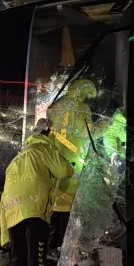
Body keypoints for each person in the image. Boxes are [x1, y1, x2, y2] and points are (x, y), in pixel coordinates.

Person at [0, 118, 74, 266]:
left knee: (18, 258)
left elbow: (4, 198)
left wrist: (4, 232)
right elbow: (65, 171)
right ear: (48, 135)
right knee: (36, 259)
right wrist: (58, 154)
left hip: (13, 212)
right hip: (34, 210)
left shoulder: (18, 158)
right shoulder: (44, 149)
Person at [47, 79, 108, 250]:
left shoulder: (57, 105)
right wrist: (106, 124)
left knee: (54, 201)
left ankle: (50, 239)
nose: (88, 100)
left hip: (53, 160)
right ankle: (62, 242)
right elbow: (87, 134)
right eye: (87, 96)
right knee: (67, 206)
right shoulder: (82, 108)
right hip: (72, 162)